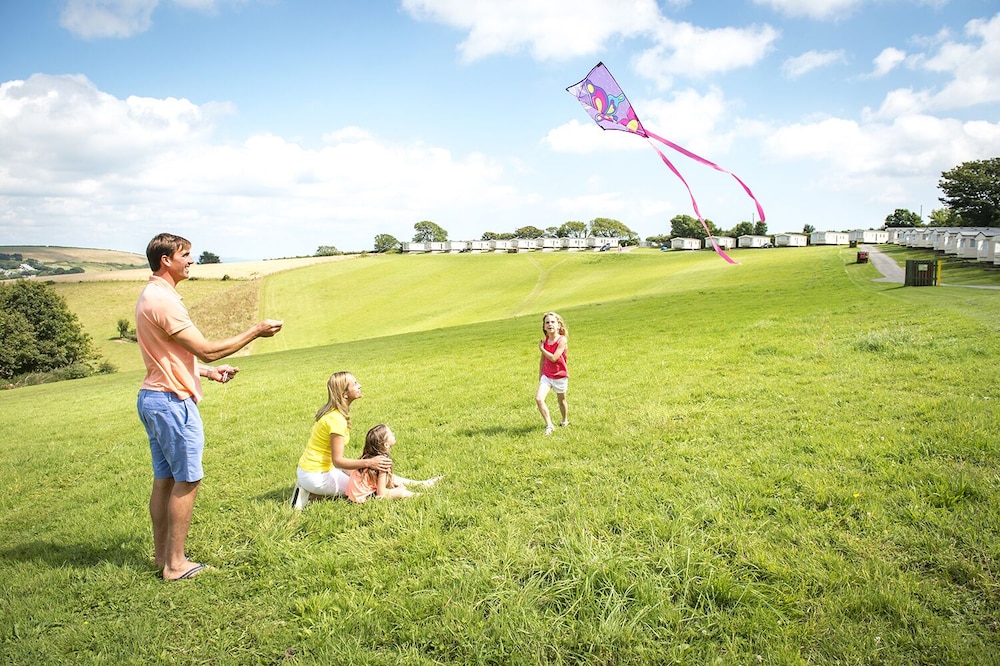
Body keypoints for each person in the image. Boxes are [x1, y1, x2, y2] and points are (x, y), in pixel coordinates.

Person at [136, 232, 283, 581]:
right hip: (171, 402)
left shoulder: (151, 295)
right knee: (187, 479)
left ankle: (162, 557)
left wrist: (206, 373)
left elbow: (169, 356)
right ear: (165, 261)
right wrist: (255, 331)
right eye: (185, 255)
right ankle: (176, 564)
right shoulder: (164, 301)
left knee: (165, 480)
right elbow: (207, 349)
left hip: (154, 397)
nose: (191, 260)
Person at [291, 371, 393, 509]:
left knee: (367, 476)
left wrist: (364, 466)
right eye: (355, 384)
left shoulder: (334, 414)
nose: (360, 385)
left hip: (316, 469)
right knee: (363, 490)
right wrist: (369, 462)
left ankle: (418, 484)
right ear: (344, 393)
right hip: (316, 475)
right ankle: (309, 494)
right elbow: (338, 460)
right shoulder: (336, 420)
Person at [345, 424, 442, 503]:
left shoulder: (369, 457)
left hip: (355, 495)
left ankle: (423, 484)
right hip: (363, 498)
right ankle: (424, 496)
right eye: (391, 434)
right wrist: (397, 490)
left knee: (394, 479)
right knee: (401, 492)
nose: (393, 433)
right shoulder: (382, 462)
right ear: (386, 444)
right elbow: (381, 494)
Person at [535, 311, 569, 436]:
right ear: (544, 326)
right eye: (547, 322)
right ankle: (549, 425)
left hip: (560, 375)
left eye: (553, 322)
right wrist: (540, 376)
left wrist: (542, 349)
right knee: (539, 399)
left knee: (562, 401)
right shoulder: (545, 341)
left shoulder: (562, 340)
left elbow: (554, 358)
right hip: (547, 376)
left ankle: (565, 420)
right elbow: (542, 360)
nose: (550, 324)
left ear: (559, 325)